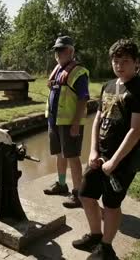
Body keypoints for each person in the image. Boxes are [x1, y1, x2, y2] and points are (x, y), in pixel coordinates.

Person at [73, 39, 140, 259]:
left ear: (136, 63)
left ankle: (107, 248)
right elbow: (98, 119)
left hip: (123, 160)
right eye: (116, 61)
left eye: (125, 61)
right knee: (85, 195)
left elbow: (135, 131)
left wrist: (114, 162)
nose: (119, 65)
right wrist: (93, 151)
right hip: (99, 156)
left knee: (110, 204)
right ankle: (95, 236)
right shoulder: (108, 85)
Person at [44, 36, 90, 209]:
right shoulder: (58, 68)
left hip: (70, 122)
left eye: (61, 49)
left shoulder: (79, 72)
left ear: (70, 51)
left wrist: (76, 123)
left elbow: (83, 99)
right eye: (56, 49)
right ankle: (61, 184)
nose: (58, 53)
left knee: (73, 157)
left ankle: (77, 194)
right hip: (54, 120)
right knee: (59, 154)